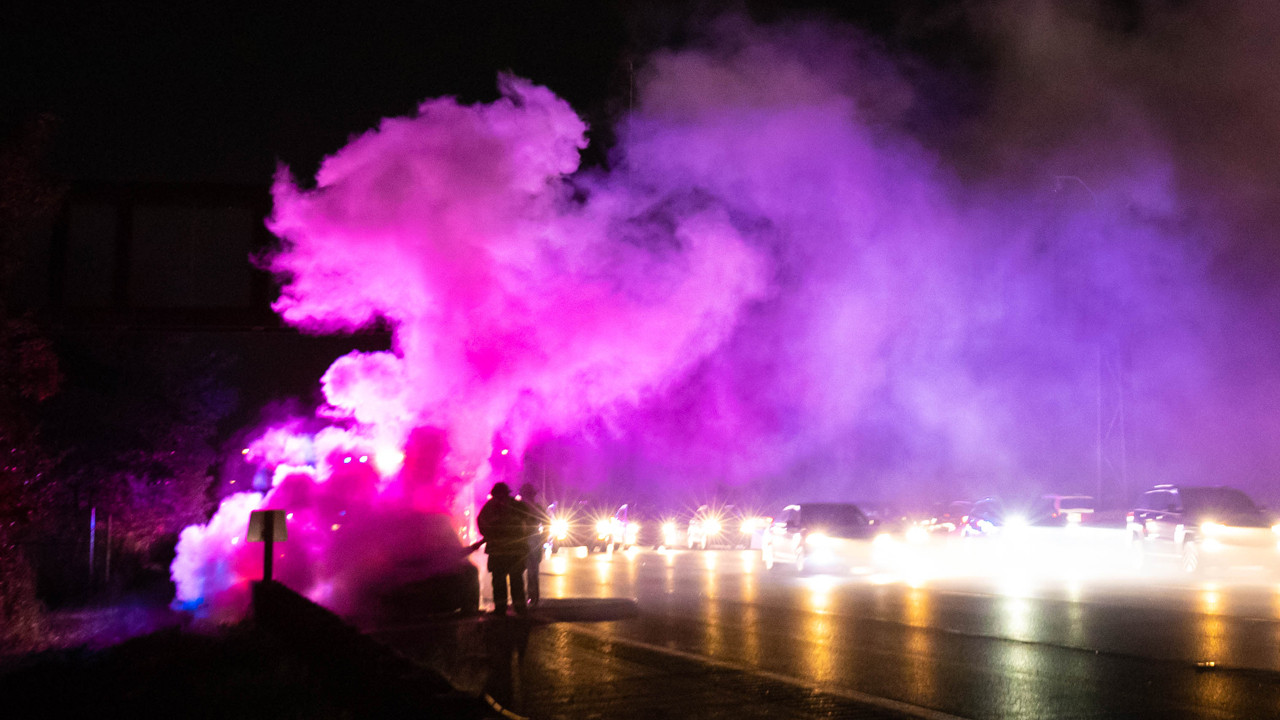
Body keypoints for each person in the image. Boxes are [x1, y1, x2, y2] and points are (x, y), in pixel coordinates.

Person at [477, 482, 531, 616]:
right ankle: (520, 608)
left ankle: (500, 609)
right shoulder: (516, 505)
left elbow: (482, 524)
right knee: (516, 580)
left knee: (499, 581)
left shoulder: (490, 507)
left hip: (498, 553)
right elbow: (529, 518)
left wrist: (490, 534)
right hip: (515, 552)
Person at [519, 482, 548, 607]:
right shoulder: (536, 508)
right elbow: (547, 523)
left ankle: (529, 598)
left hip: (524, 541)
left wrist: (543, 538)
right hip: (531, 541)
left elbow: (547, 524)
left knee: (524, 572)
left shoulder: (519, 507)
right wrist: (543, 538)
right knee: (531, 571)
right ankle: (533, 597)